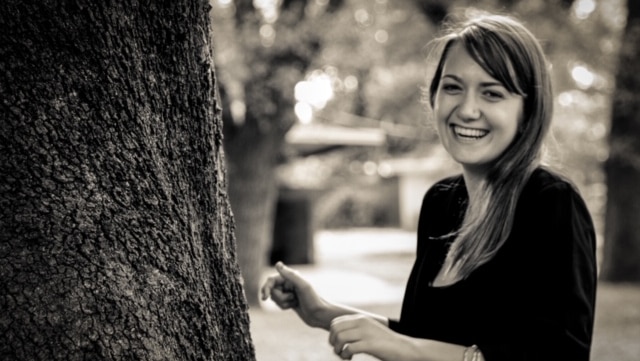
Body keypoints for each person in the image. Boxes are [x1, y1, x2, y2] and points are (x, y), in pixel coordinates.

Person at [261, 10, 598, 361]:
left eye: (492, 93)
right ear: (434, 97)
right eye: (453, 87)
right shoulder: (441, 202)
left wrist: (405, 348)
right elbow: (424, 338)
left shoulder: (552, 203)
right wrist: (323, 312)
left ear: (528, 111)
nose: (467, 109)